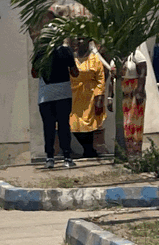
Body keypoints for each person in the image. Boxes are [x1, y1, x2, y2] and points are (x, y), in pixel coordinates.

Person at [33, 31, 76, 169]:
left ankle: (49, 158)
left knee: (48, 127)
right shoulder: (66, 51)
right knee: (64, 125)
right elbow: (75, 73)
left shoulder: (40, 53)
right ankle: (67, 158)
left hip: (45, 95)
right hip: (64, 93)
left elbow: (34, 74)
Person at [69, 36, 108, 158]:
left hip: (90, 96)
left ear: (87, 43)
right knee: (73, 124)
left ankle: (88, 150)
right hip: (74, 96)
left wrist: (99, 96)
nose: (78, 42)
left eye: (81, 39)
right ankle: (88, 149)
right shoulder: (71, 58)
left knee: (90, 124)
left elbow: (100, 79)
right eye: (77, 39)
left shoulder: (94, 59)